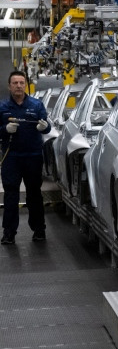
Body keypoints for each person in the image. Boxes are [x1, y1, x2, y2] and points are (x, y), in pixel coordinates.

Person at [0, 70, 50, 244]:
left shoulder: (36, 105)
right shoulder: (2, 107)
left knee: (34, 194)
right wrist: (4, 130)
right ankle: (9, 232)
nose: (19, 86)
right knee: (11, 195)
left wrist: (44, 127)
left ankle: (39, 230)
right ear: (9, 86)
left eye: (22, 82)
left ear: (26, 85)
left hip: (33, 157)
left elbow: (47, 127)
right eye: (15, 83)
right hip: (11, 157)